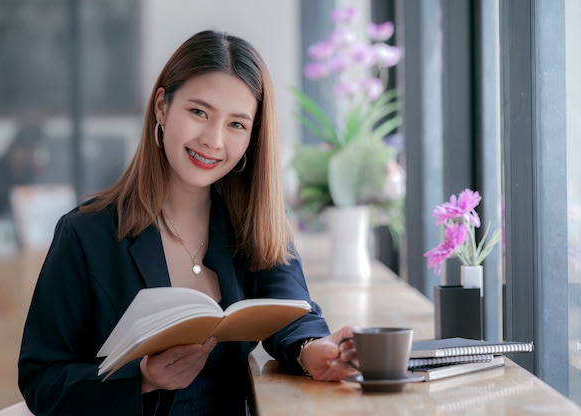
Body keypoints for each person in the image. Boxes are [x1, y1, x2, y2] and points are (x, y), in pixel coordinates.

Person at [18, 30, 358, 415]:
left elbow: (293, 310)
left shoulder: (253, 222)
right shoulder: (85, 233)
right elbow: (40, 379)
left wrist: (316, 351)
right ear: (162, 107)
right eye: (199, 112)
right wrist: (142, 378)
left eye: (236, 125)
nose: (213, 140)